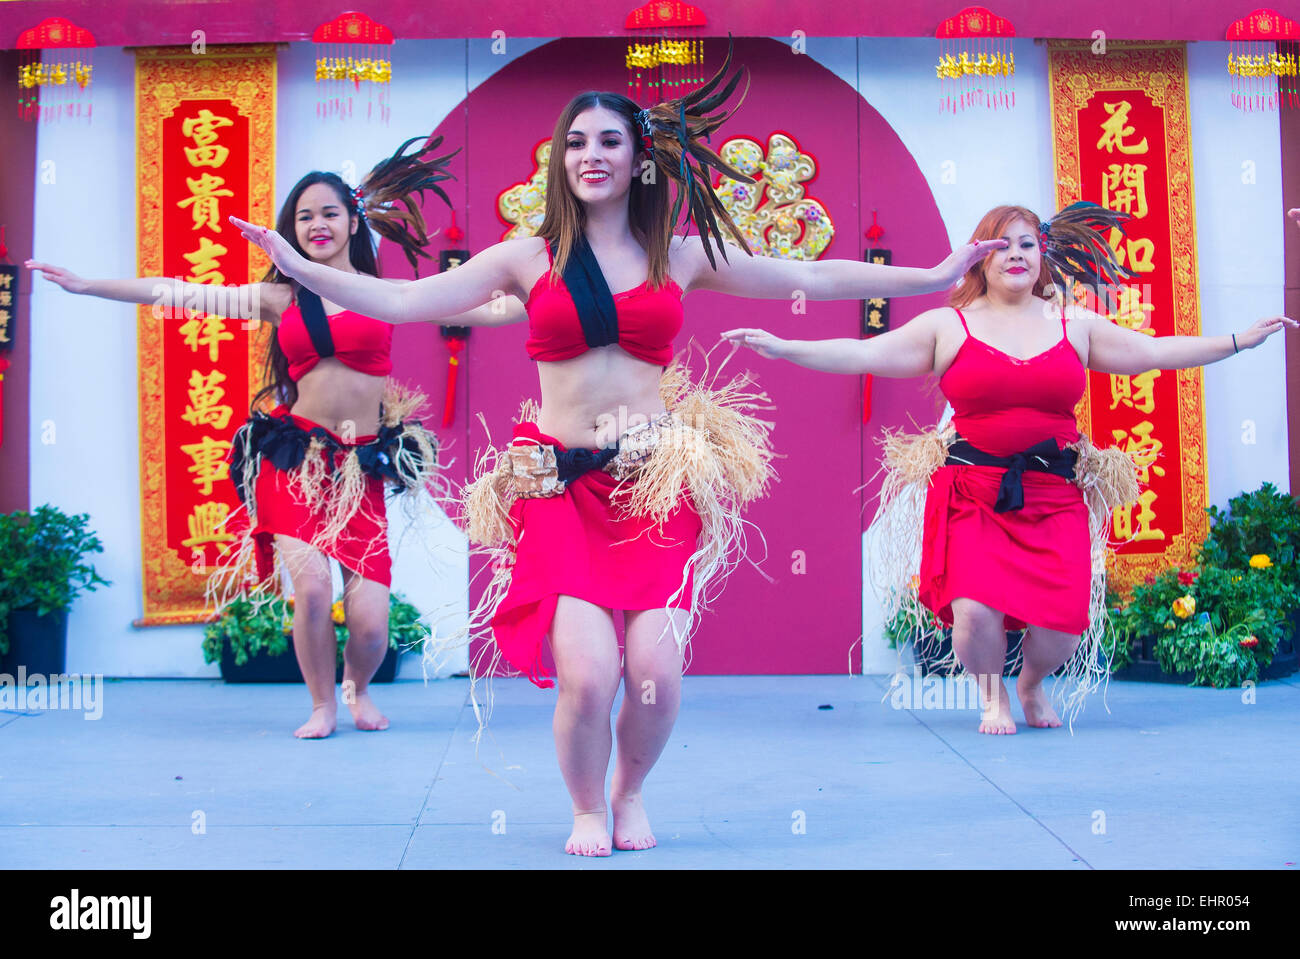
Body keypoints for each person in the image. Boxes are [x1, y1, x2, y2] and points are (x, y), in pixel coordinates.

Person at [230, 44, 1005, 855]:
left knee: (656, 674)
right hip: (559, 484)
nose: (590, 155)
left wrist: (935, 271)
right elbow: (401, 297)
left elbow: (800, 275)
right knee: (590, 673)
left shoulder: (678, 253)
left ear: (637, 158)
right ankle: (586, 808)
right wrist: (293, 265)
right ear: (559, 160)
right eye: (574, 142)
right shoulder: (525, 258)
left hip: (651, 483)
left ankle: (629, 789)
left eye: (607, 141)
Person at [724, 203, 1296, 735]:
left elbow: (1152, 352)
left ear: (1042, 254)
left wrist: (1236, 343)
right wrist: (785, 345)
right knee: (974, 610)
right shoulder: (948, 325)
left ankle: (1030, 683)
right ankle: (991, 691)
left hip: (1054, 491)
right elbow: (864, 354)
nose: (1015, 254)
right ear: (980, 258)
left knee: (1063, 629)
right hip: (974, 490)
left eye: (1026, 243)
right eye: (1001, 245)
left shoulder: (1075, 324)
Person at [27, 134, 512, 740]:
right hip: (295, 456)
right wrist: (87, 284)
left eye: (329, 213)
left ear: (353, 220)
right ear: (289, 229)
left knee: (370, 625)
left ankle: (355, 688)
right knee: (309, 588)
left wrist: (545, 292)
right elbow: (175, 292)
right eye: (303, 216)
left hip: (360, 466)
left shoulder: (386, 294)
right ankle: (321, 706)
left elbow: (486, 308)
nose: (316, 224)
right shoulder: (279, 299)